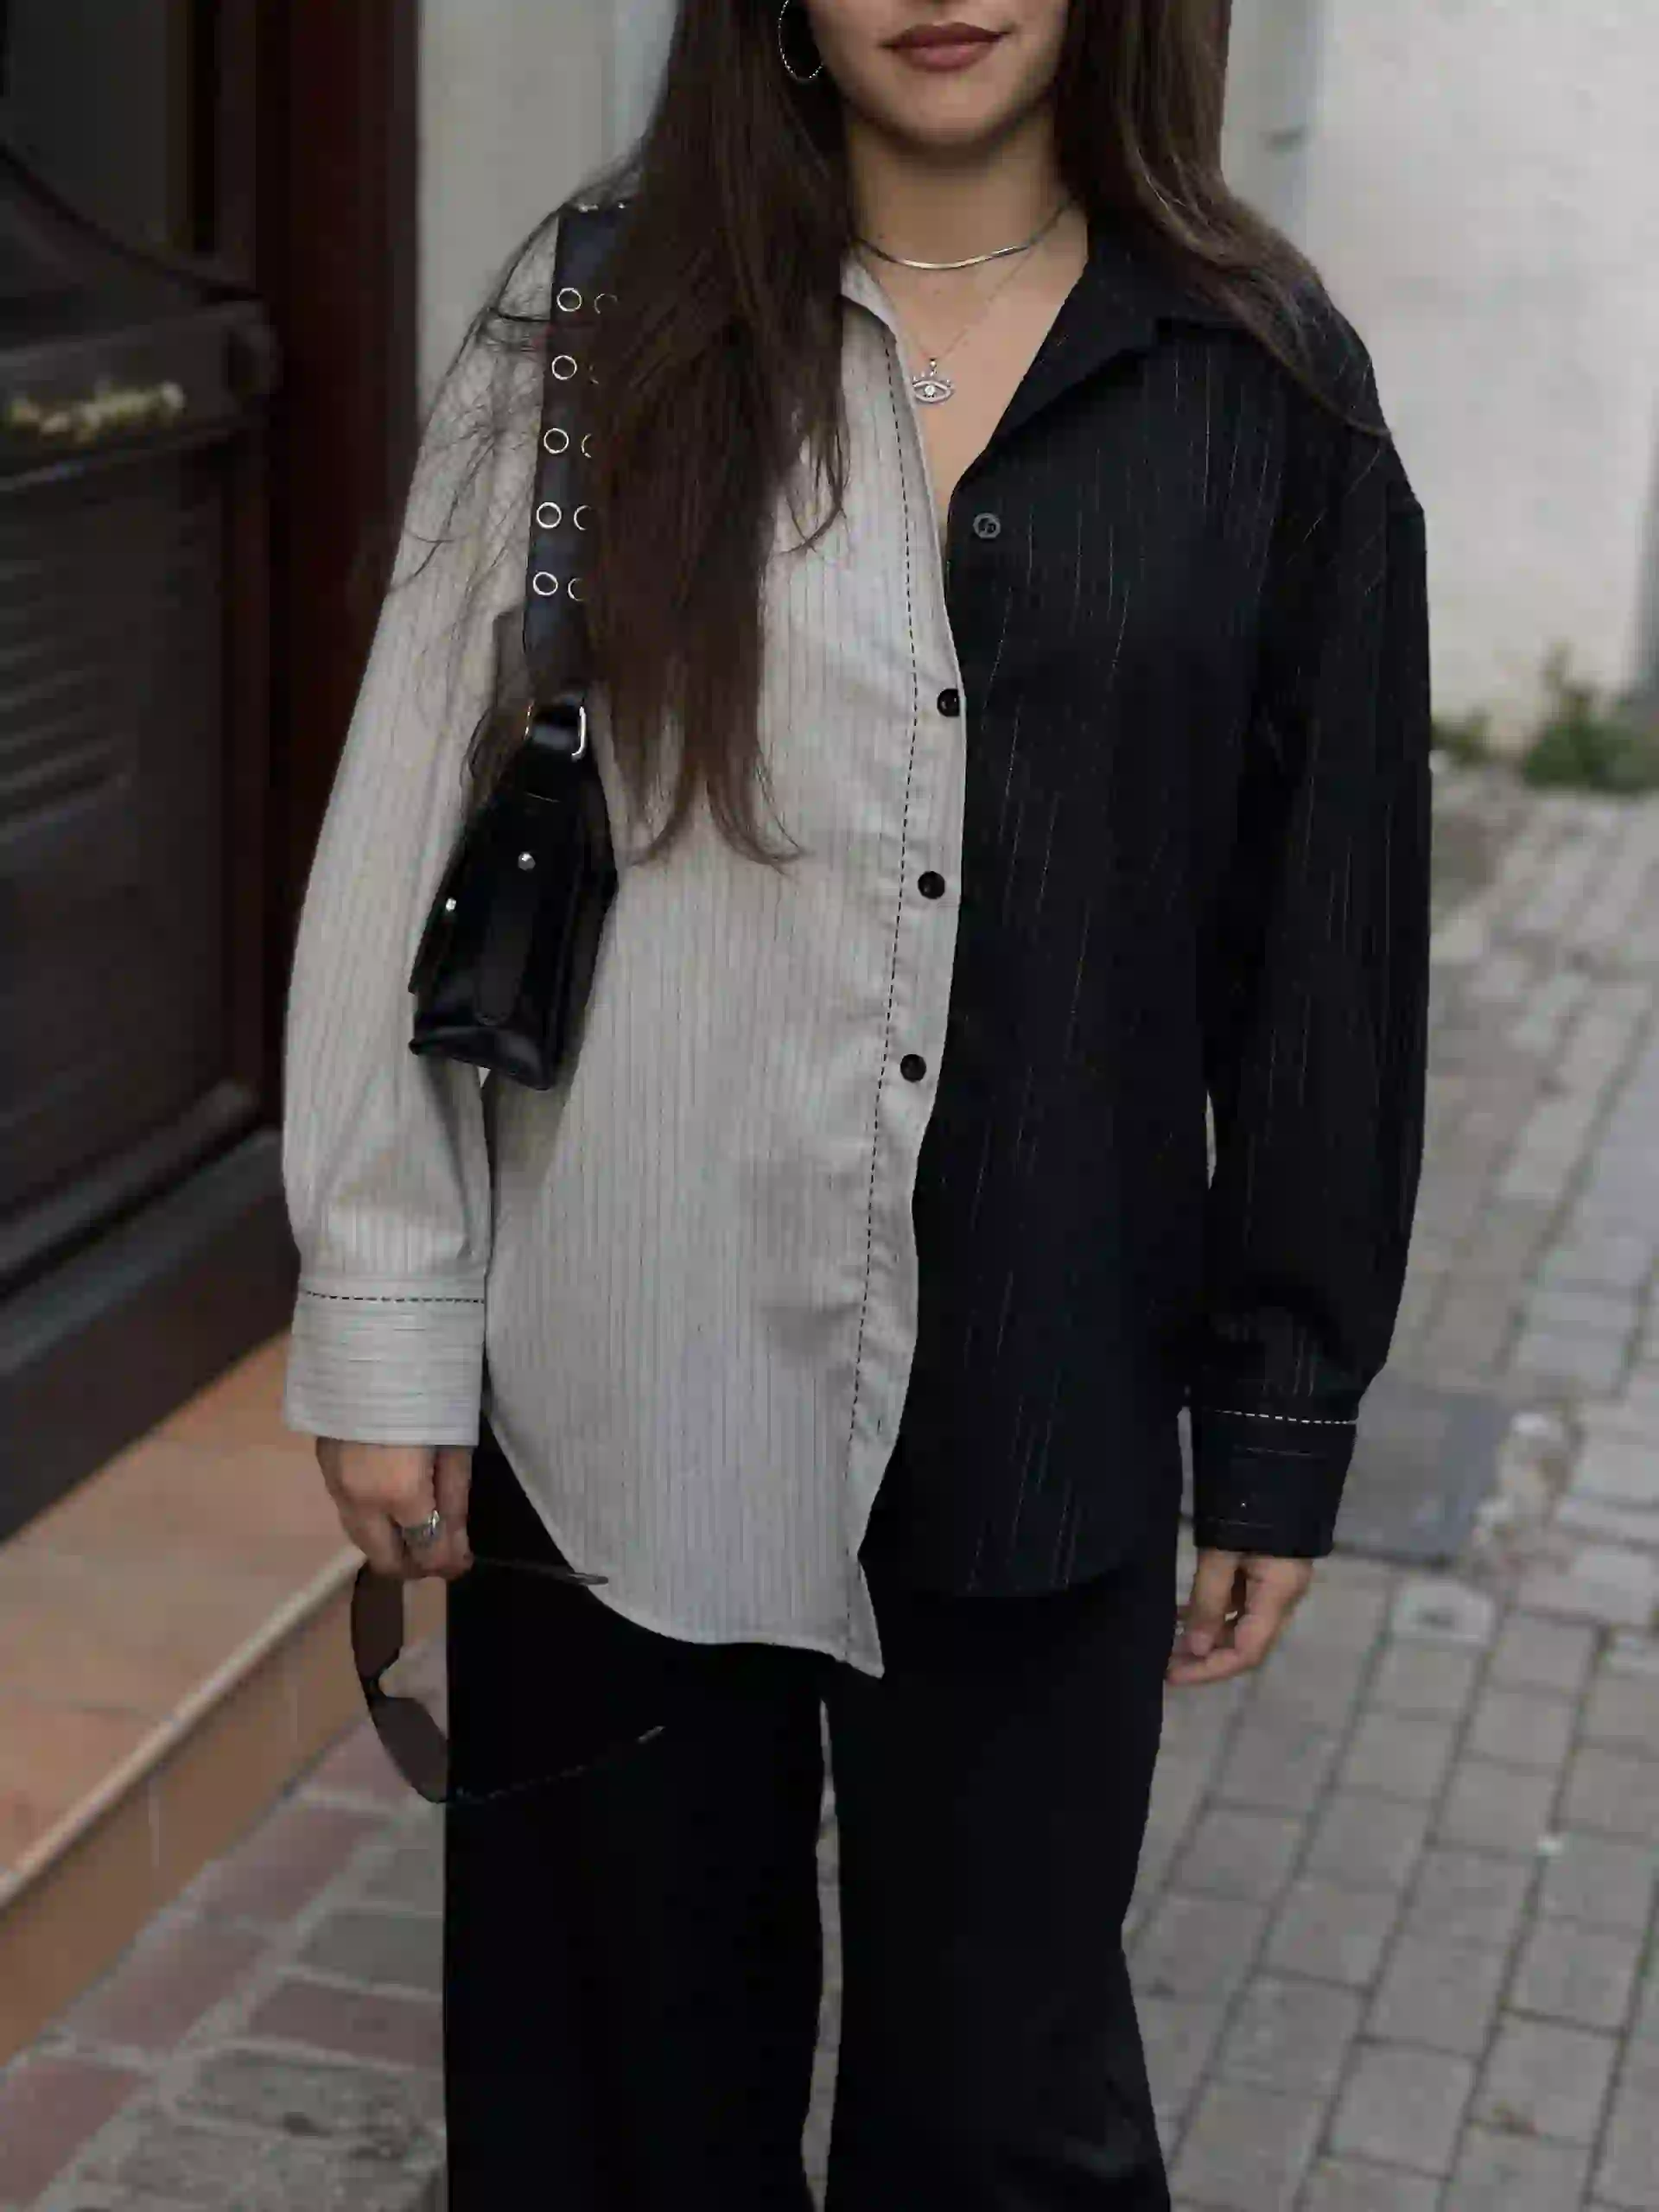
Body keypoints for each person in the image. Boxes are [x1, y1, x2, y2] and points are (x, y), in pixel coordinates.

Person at [280, 1, 1431, 2203]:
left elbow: (1329, 949)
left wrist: (1282, 1410)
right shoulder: (593, 326)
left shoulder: (1265, 383)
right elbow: (408, 822)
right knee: (611, 2109)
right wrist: (389, 1313)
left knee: (1005, 2118)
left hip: (1045, 1400)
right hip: (626, 1379)